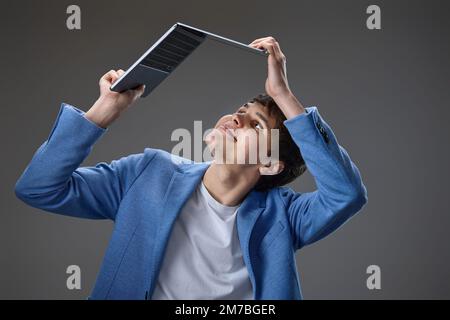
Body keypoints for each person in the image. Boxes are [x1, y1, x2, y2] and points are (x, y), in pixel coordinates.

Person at [15, 37, 367, 299]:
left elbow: (346, 194)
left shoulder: (285, 216)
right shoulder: (149, 174)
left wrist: (284, 96)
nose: (236, 118)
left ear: (270, 163)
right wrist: (102, 113)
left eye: (256, 126)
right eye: (241, 111)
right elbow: (39, 188)